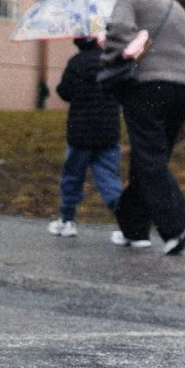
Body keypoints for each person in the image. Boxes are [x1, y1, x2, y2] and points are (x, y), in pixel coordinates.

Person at [102, 0, 185, 258]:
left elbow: (119, 31)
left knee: (149, 159)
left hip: (147, 86)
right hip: (183, 89)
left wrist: (113, 57)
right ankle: (133, 229)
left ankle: (177, 226)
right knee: (150, 160)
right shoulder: (176, 7)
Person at [47, 35, 128, 241]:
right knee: (109, 179)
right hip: (108, 131)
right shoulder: (111, 62)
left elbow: (64, 91)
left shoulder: (76, 62)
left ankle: (67, 220)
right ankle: (127, 224)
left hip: (80, 132)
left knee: (72, 177)